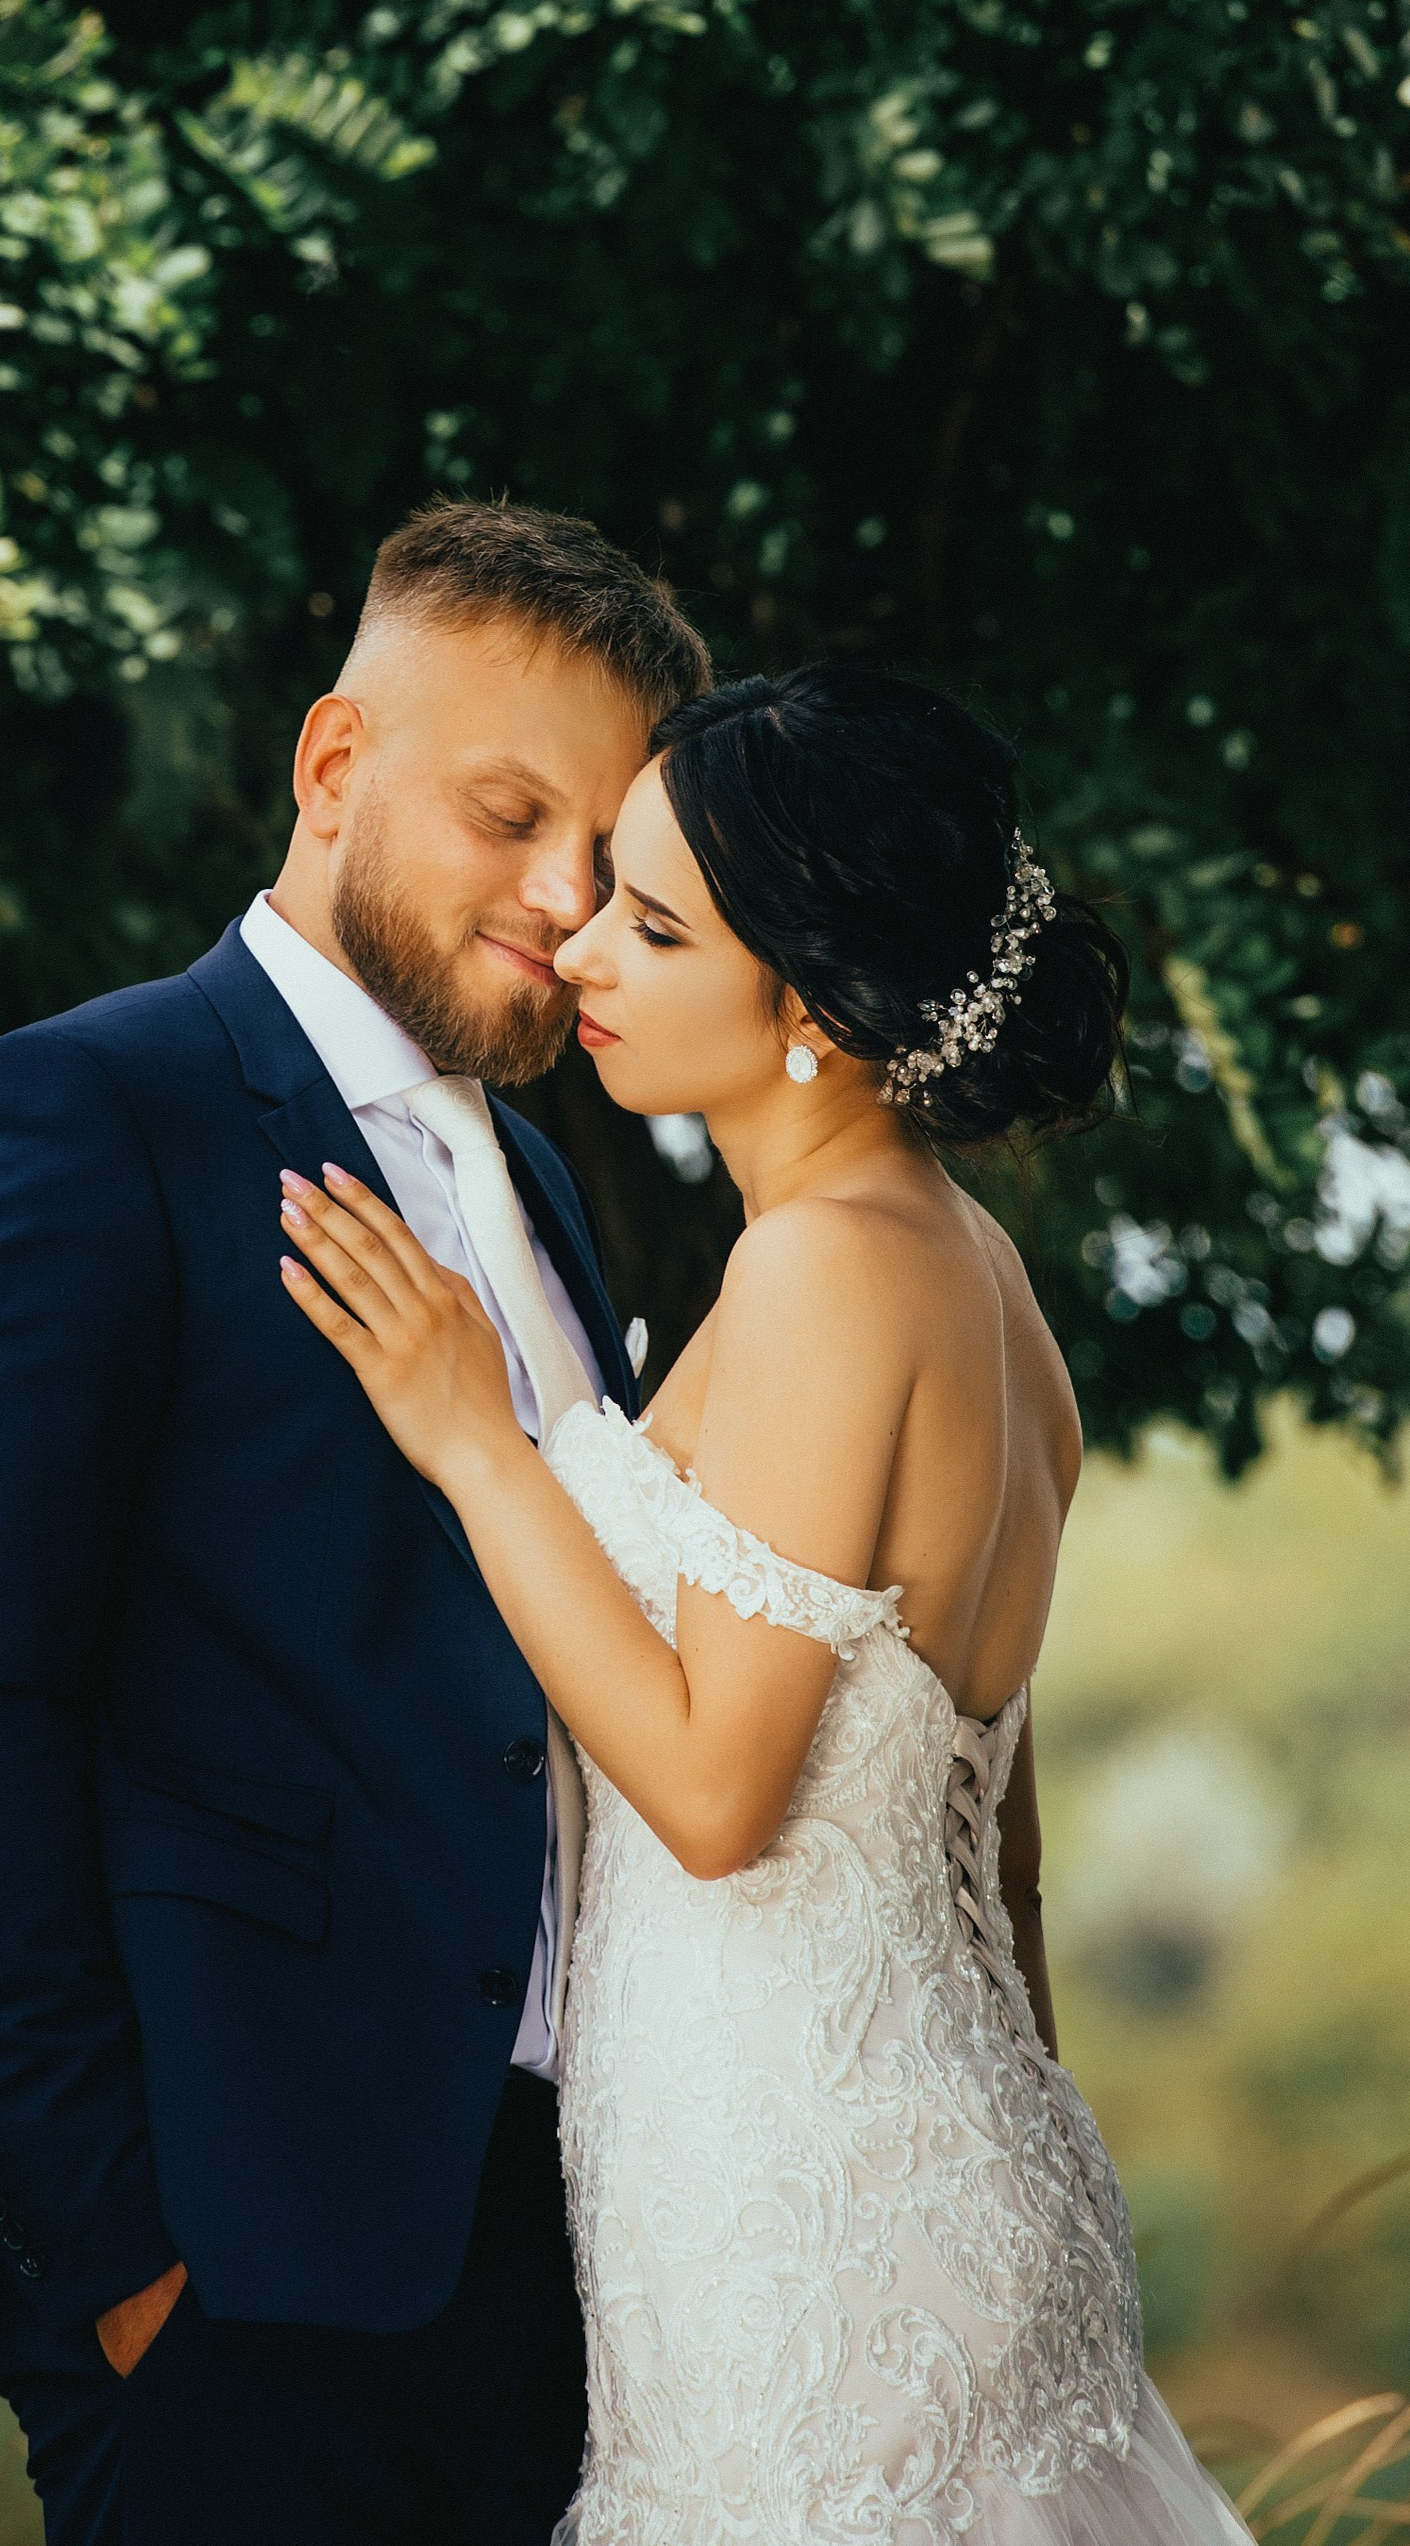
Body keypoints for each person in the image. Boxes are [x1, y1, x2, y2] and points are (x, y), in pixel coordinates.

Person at [284, 664, 1256, 2546]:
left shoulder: (828, 1272)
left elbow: (722, 1801)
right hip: (896, 2154)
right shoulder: (967, 1273)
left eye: (653, 925)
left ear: (804, 999)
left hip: (810, 2224)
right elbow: (1003, 1837)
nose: (582, 951)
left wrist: (477, 1445)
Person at [0, 500, 711, 2545]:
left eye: (604, 851)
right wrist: (129, 2269)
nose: (565, 897)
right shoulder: (78, 1118)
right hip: (238, 2272)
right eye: (511, 815)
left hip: (555, 2260)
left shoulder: (555, 1197)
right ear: (333, 767)